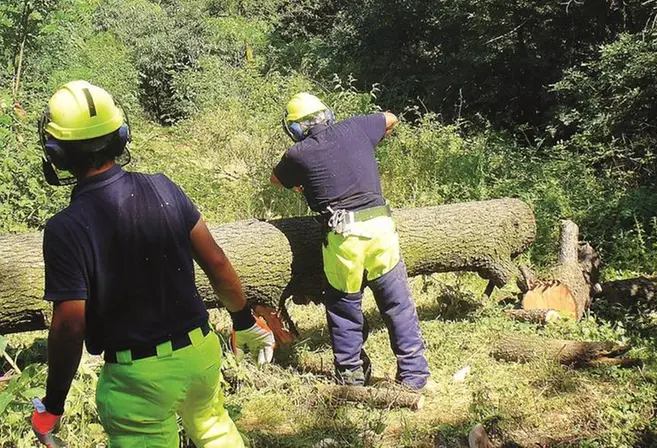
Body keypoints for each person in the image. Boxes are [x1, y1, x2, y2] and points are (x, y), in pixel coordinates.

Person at [30, 80, 275, 447]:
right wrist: (244, 321)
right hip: (200, 355)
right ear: (121, 136)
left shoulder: (66, 229)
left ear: (57, 155)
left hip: (137, 378)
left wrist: (53, 406)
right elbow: (217, 262)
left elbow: (69, 327)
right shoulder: (163, 187)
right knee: (214, 429)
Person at [270, 92, 431, 389]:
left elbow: (276, 180)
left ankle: (352, 378)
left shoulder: (298, 154)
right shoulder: (357, 126)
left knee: (344, 309)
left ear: (293, 129)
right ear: (327, 114)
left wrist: (302, 183)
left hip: (344, 237)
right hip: (382, 229)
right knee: (398, 306)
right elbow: (390, 118)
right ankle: (414, 376)